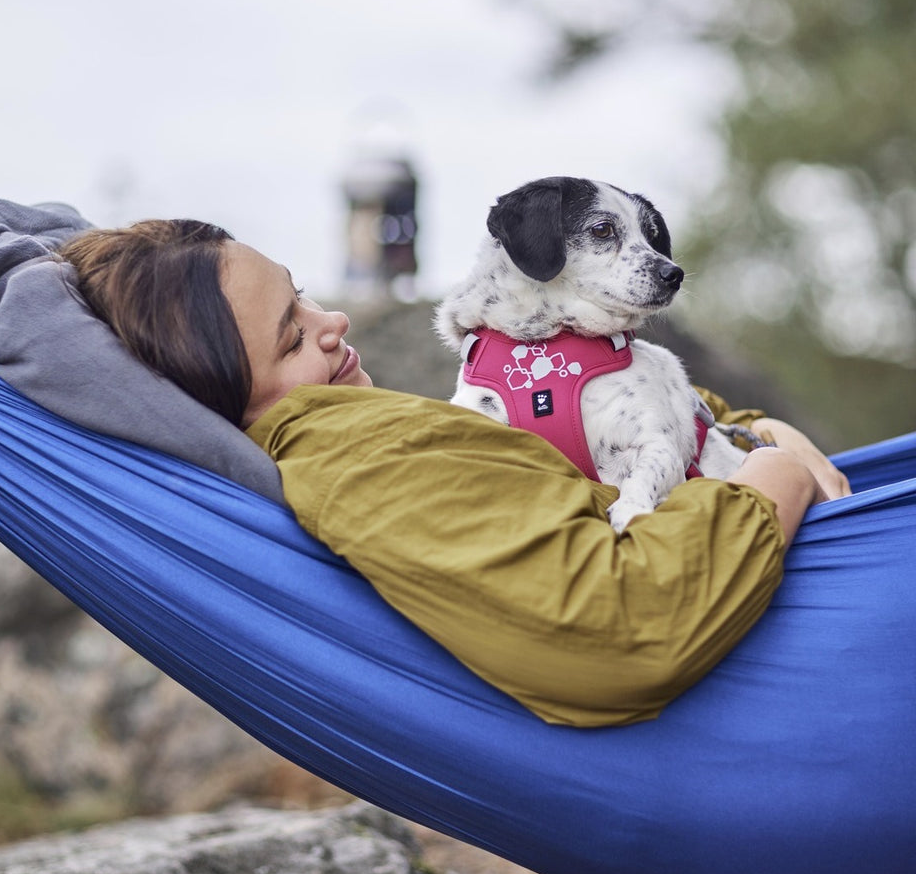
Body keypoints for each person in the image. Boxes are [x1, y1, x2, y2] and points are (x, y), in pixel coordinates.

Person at [59, 219, 849, 726]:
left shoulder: (374, 431)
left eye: (304, 299)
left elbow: (607, 439)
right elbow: (618, 627)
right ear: (217, 402)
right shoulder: (365, 464)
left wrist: (751, 431)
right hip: (790, 693)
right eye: (291, 340)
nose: (333, 324)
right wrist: (775, 477)